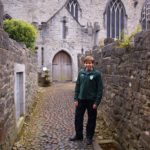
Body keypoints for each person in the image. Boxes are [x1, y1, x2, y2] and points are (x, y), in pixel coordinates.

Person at [69, 55, 103, 145]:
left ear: (92, 64)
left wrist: (97, 102)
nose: (88, 64)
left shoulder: (97, 74)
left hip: (92, 101)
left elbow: (100, 89)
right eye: (87, 63)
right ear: (84, 64)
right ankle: (78, 135)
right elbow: (77, 86)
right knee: (78, 118)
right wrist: (76, 98)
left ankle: (89, 137)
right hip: (81, 100)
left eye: (90, 63)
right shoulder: (81, 73)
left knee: (91, 119)